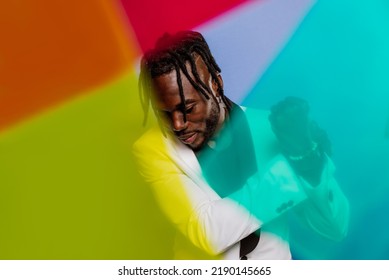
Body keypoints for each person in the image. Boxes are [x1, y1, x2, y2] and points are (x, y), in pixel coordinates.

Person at [133, 30, 349, 259]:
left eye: (188, 109)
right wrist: (293, 166)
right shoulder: (153, 148)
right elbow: (207, 233)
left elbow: (335, 229)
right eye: (163, 113)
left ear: (215, 83)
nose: (176, 125)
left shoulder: (270, 129)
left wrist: (313, 167)